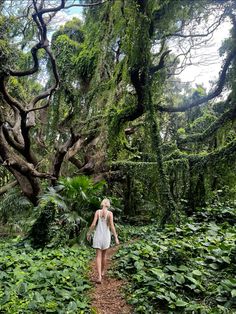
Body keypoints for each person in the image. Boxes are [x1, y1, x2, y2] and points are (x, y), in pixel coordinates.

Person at [87, 198, 119, 283]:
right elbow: (112, 226)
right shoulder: (110, 213)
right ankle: (103, 271)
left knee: (98, 256)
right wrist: (116, 237)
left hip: (98, 236)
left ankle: (99, 276)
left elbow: (93, 224)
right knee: (104, 256)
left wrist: (89, 233)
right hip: (106, 236)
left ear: (102, 204)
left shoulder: (97, 212)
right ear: (108, 205)